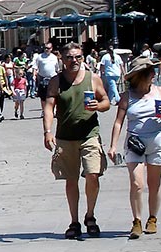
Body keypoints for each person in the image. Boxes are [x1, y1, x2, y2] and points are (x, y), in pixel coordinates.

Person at [43, 41, 112, 240]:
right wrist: (48, 132)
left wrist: (97, 106)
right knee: (70, 180)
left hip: (89, 134)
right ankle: (74, 221)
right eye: (70, 58)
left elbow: (106, 101)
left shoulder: (93, 78)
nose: (74, 61)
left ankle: (90, 216)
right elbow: (49, 107)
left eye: (78, 57)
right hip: (65, 138)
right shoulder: (56, 81)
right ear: (62, 60)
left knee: (93, 175)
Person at [108, 56, 161, 239]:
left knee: (154, 184)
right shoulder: (127, 97)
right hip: (135, 143)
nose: (154, 74)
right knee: (137, 183)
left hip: (157, 141)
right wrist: (113, 146)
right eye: (150, 72)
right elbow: (118, 123)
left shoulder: (160, 91)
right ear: (141, 76)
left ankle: (152, 219)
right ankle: (136, 221)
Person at [32, 41, 59, 113]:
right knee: (43, 97)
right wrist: (34, 75)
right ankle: (44, 110)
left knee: (53, 95)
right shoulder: (39, 57)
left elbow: (57, 69)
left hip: (52, 78)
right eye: (45, 48)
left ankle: (53, 110)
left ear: (51, 49)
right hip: (42, 78)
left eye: (48, 48)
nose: (46, 49)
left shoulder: (54, 57)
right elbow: (35, 67)